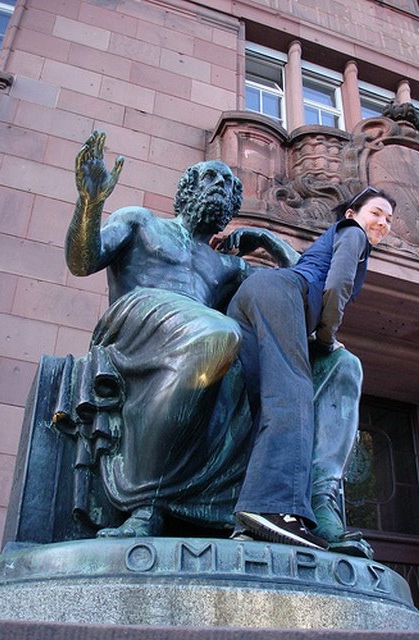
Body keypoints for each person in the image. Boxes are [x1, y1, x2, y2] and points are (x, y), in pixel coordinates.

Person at [62, 130, 299, 538]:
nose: (221, 187)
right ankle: (144, 503)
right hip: (136, 321)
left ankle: (275, 510)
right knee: (218, 333)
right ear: (186, 190)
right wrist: (90, 204)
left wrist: (268, 240)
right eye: (211, 178)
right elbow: (83, 261)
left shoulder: (226, 266)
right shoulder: (142, 222)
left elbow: (297, 289)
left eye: (229, 185)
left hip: (199, 335)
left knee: (327, 363)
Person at [226, 186, 396, 550]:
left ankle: (249, 517)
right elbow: (337, 286)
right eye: (376, 213)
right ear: (352, 214)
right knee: (294, 393)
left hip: (253, 296)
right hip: (283, 295)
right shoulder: (353, 235)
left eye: (388, 219)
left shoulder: (334, 238)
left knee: (259, 401)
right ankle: (271, 509)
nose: (383, 222)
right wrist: (326, 337)